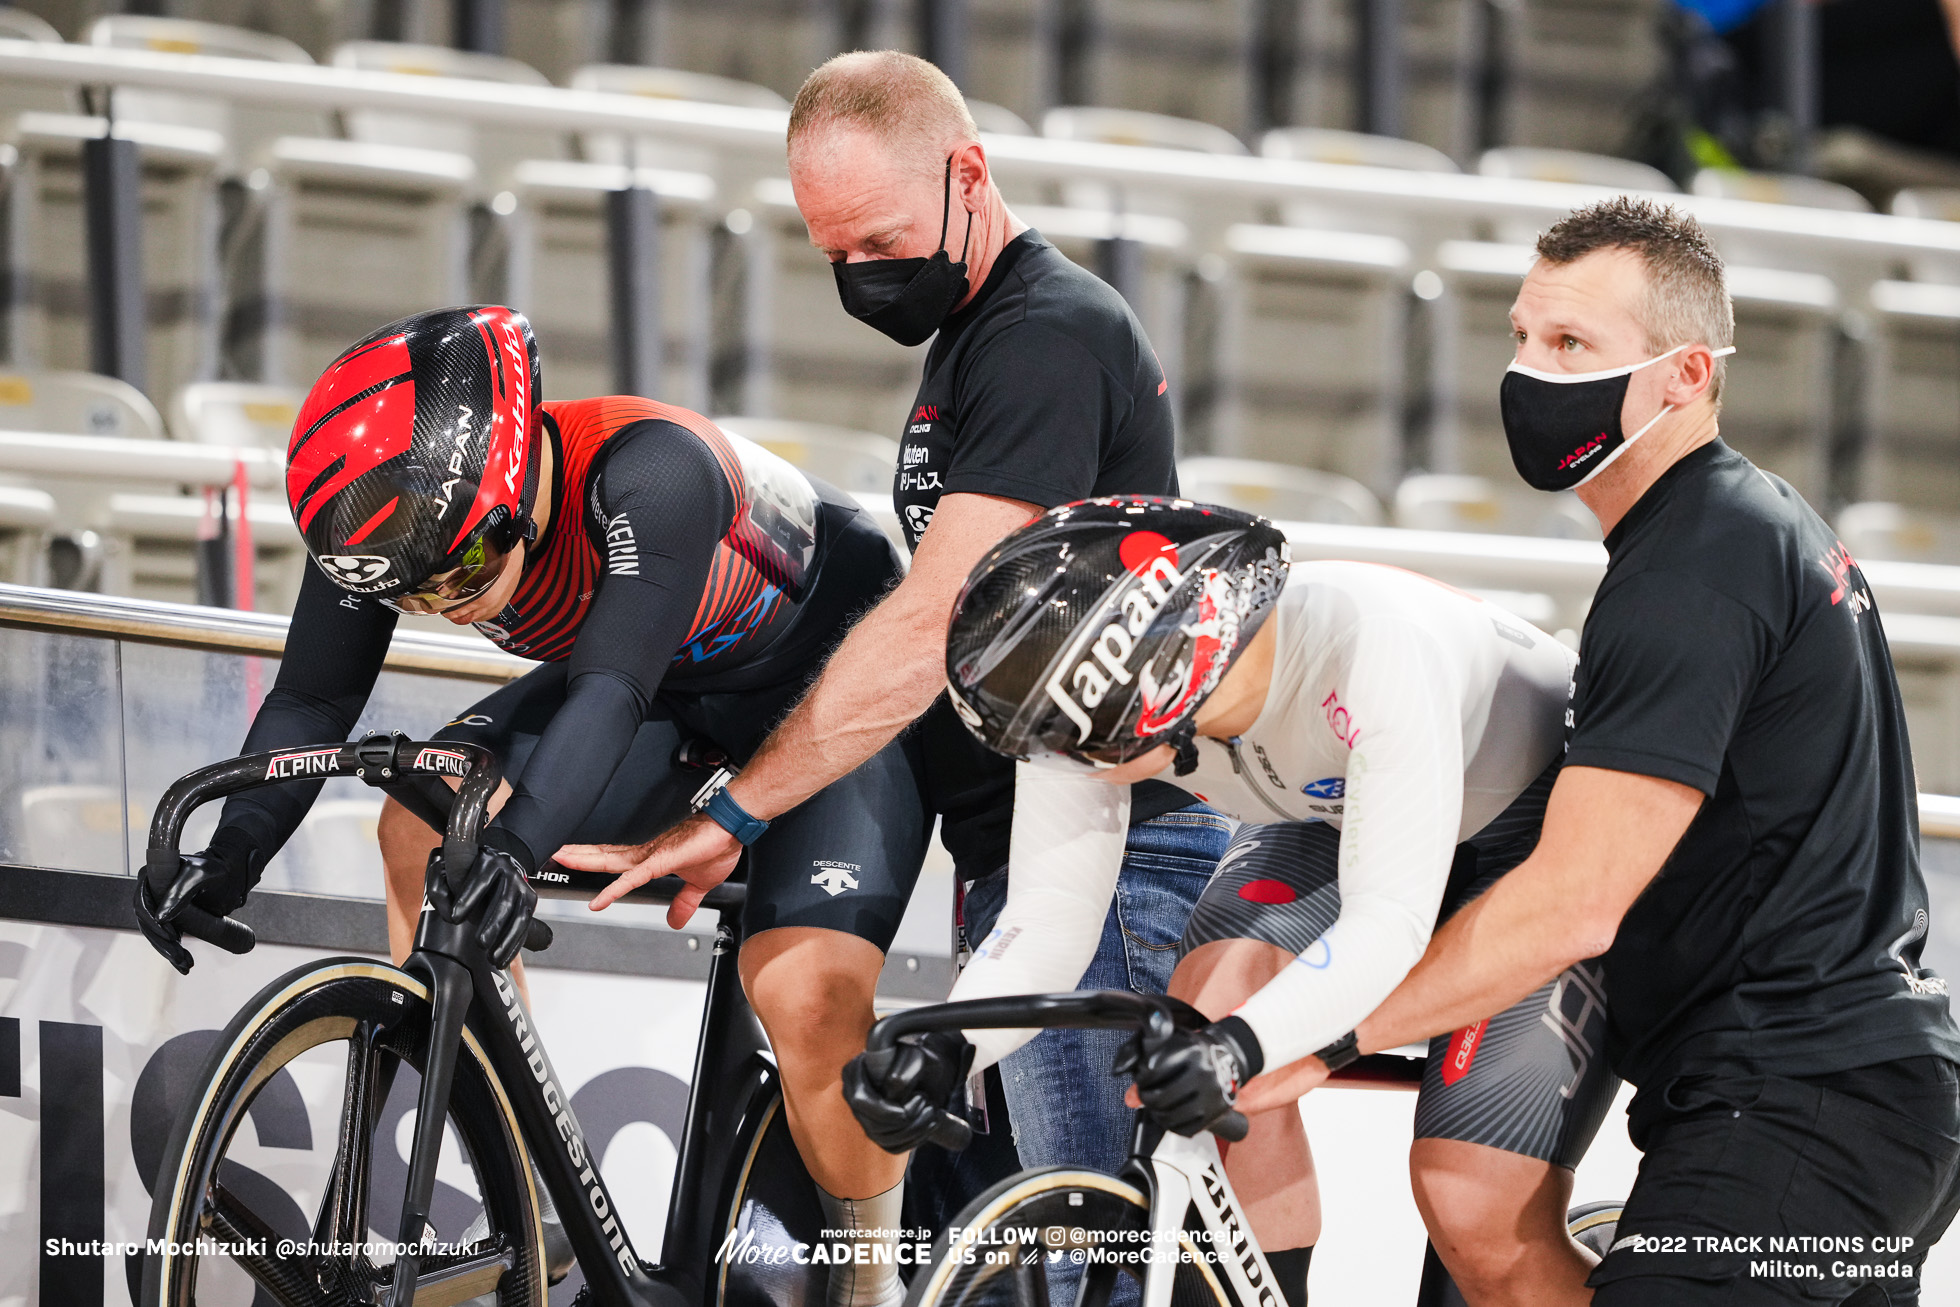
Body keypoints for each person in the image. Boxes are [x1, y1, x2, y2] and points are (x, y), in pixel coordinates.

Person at [555, 49, 1229, 1301]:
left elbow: (934, 623)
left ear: (968, 173)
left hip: (1116, 860)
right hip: (1027, 856)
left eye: (881, 238)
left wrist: (741, 806)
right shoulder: (978, 331)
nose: (863, 274)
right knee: (1064, 1257)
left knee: (1103, 1266)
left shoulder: (1046, 332)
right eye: (832, 253)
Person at [132, 305, 936, 1294]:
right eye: (409, 597)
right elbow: (312, 695)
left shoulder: (651, 470)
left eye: (463, 572)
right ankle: (526, 1175)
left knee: (804, 993)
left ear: (517, 485)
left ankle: (876, 1282)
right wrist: (233, 851)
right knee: (423, 823)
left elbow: (608, 692)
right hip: (660, 674)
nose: (445, 604)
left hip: (825, 687)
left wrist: (515, 850)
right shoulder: (382, 520)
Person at [1249, 197, 1960, 1304]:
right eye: (1523, 338)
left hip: (1797, 1110)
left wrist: (1318, 1038)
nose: (1531, 374)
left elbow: (1574, 901)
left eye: (1572, 345)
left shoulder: (1695, 565)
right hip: (1848, 1100)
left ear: (1685, 375)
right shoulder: (1733, 528)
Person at [843, 496, 1620, 1307]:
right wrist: (954, 1048)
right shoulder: (1082, 693)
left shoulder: (1373, 647)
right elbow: (1046, 920)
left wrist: (1245, 1049)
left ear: (1169, 689)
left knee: (1472, 1196)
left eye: (1079, 749)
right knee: (1207, 1014)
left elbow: (1387, 921)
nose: (1064, 769)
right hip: (1337, 809)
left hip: (1532, 830)